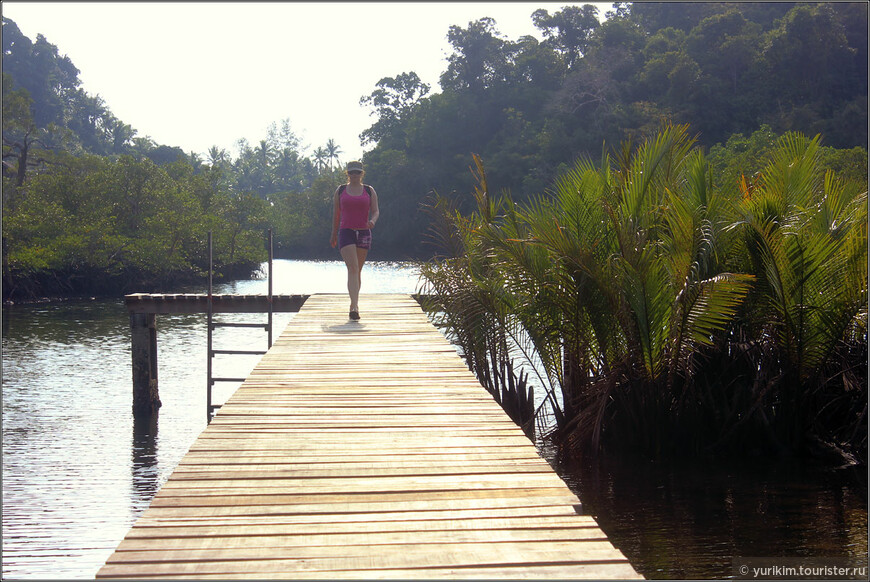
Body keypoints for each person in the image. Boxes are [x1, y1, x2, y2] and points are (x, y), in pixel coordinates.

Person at [330, 160, 380, 320]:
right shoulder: (341, 190)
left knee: (357, 270)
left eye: (357, 172)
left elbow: (376, 210)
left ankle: (355, 303)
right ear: (347, 173)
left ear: (361, 173)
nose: (354, 175)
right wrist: (333, 234)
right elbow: (336, 214)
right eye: (351, 172)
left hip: (364, 232)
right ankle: (354, 306)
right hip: (346, 232)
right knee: (352, 268)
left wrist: (373, 221)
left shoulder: (369, 190)